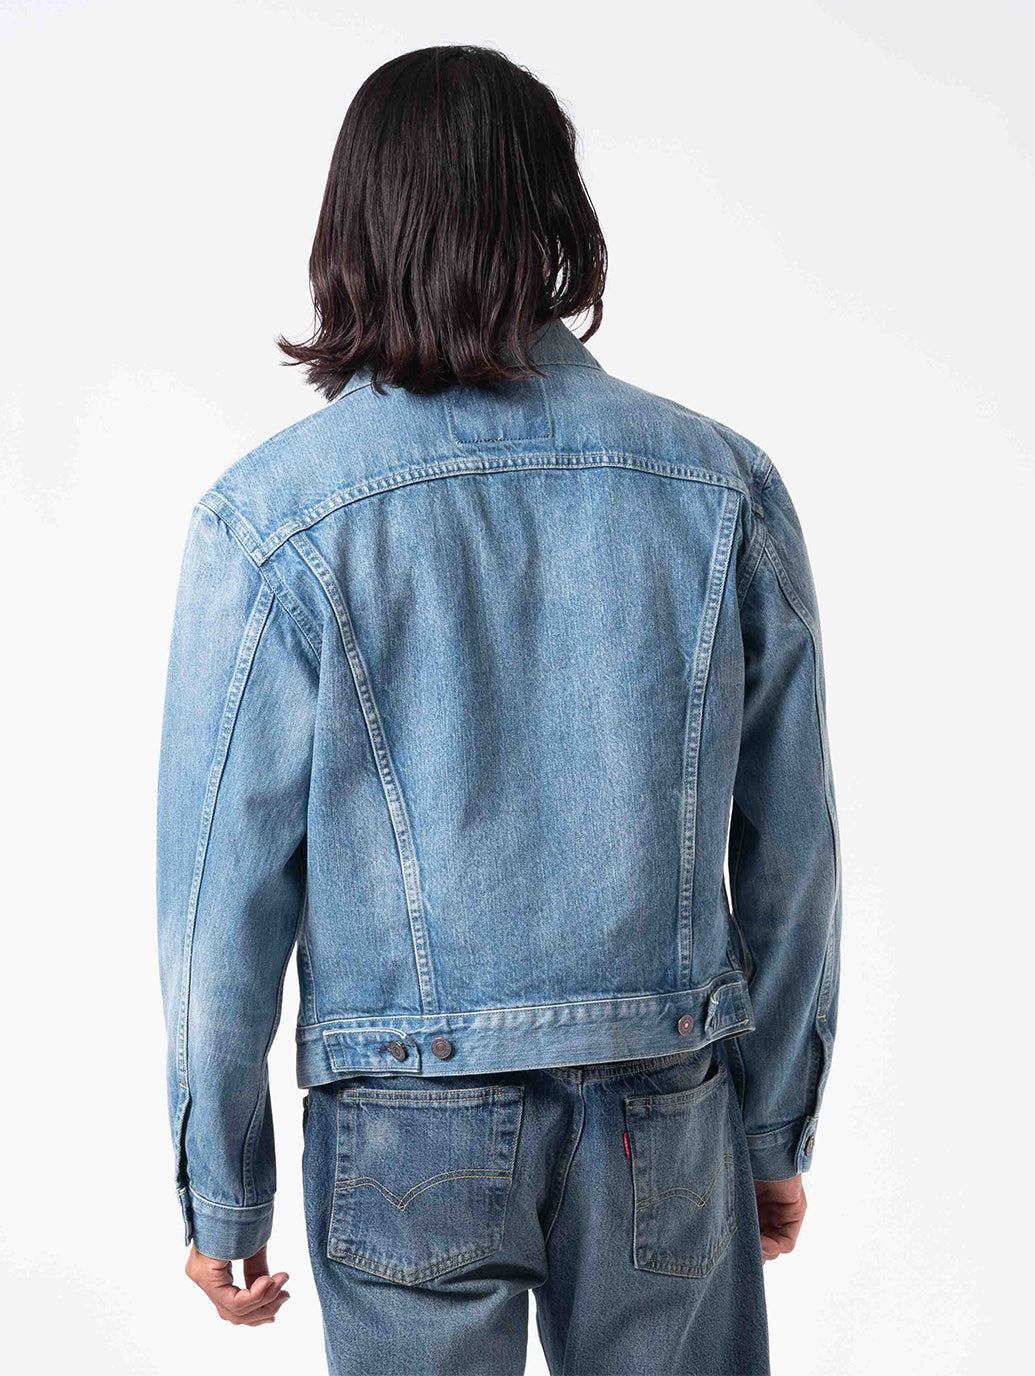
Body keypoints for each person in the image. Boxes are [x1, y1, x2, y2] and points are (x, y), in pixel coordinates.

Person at [156, 44, 841, 1376]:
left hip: (404, 1121)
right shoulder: (719, 486)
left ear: (352, 229)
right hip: (665, 1104)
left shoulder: (272, 519)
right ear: (556, 221)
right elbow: (795, 848)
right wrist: (770, 1130)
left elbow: (216, 900)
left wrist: (222, 1191)